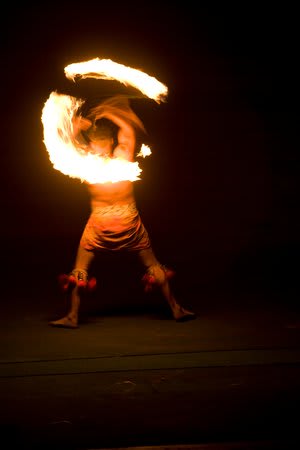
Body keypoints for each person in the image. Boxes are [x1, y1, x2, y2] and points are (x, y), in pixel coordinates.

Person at [49, 95, 195, 328]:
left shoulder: (85, 161)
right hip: (128, 221)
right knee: (154, 266)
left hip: (100, 223)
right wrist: (111, 112)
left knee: (80, 269)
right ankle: (176, 309)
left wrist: (81, 126)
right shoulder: (123, 156)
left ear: (93, 143)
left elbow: (69, 138)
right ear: (111, 141)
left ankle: (73, 316)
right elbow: (128, 129)